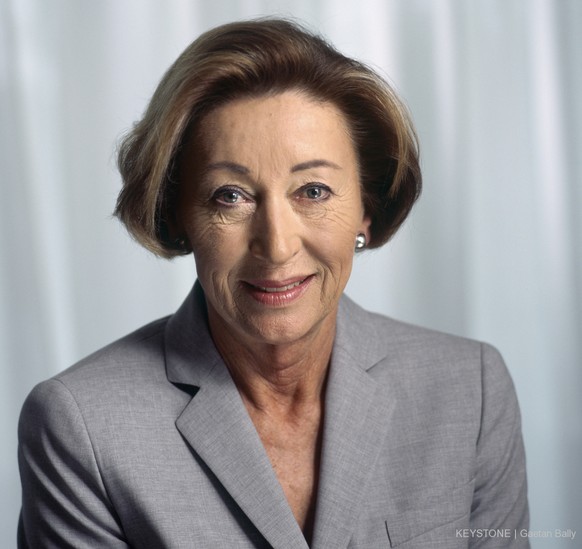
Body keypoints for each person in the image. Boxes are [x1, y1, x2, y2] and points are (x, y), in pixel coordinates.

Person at [17, 18, 529, 549]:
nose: (278, 245)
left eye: (313, 190)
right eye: (230, 196)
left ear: (367, 210)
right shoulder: (81, 427)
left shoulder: (472, 391)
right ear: (178, 216)